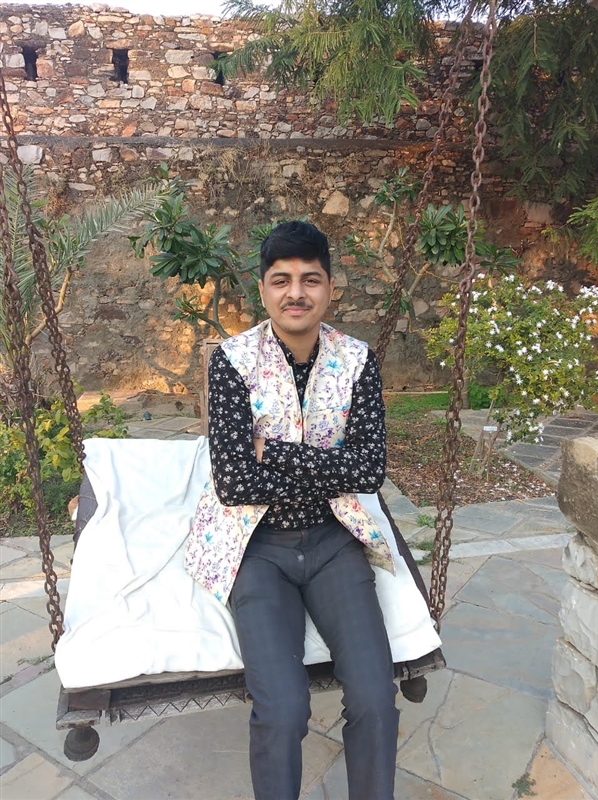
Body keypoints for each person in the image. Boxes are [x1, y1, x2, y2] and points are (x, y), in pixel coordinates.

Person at [185, 220, 400, 800]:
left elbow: (368, 471)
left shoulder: (357, 361)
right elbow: (234, 483)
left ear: (330, 288)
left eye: (310, 279)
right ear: (263, 290)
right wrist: (327, 467)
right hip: (256, 548)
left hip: (333, 542)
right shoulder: (233, 361)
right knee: (282, 709)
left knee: (376, 698)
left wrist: (275, 453)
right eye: (281, 280)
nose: (296, 293)